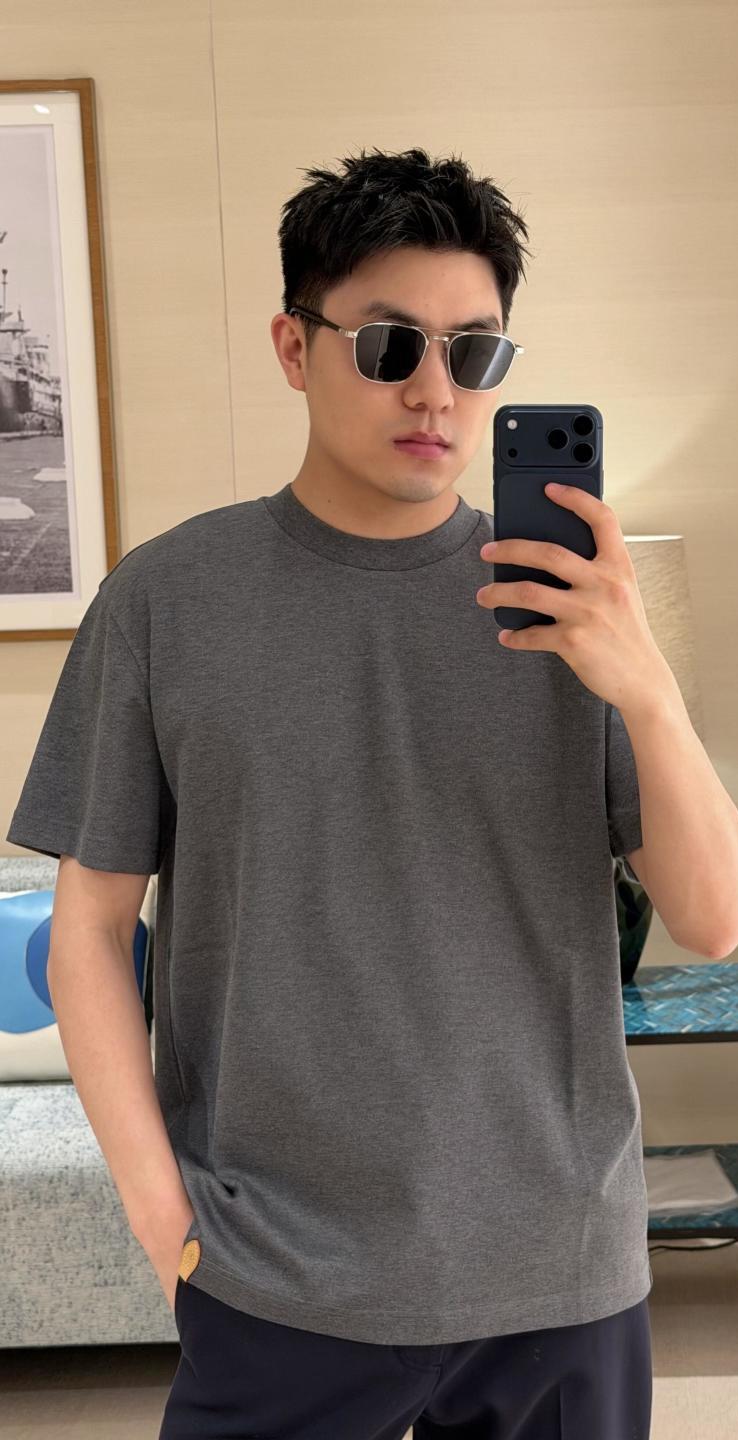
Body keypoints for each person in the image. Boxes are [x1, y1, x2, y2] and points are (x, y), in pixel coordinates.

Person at [7, 145, 658, 1439]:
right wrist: (159, 1211)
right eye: (389, 344)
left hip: (555, 1265)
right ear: (294, 348)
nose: (435, 389)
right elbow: (87, 931)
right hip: (274, 1273)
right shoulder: (166, 601)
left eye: (475, 352)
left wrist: (645, 680)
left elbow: (712, 907)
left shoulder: (573, 612)